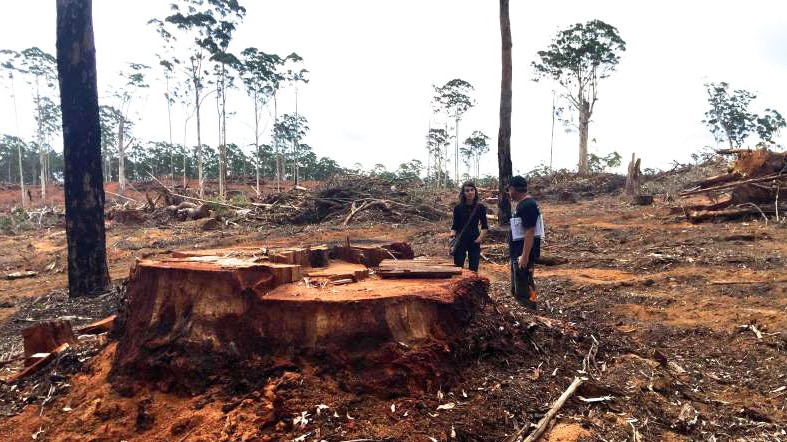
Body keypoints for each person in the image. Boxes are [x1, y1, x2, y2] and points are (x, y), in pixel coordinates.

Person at [507, 175, 544, 309]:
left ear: (513, 189)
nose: (509, 193)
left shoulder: (528, 205)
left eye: (509, 190)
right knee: (518, 285)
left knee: (525, 285)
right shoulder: (523, 204)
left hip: (523, 254)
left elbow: (530, 231)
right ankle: (525, 309)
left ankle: (530, 310)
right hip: (518, 252)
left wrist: (525, 256)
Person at [450, 181, 489, 272]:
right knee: (458, 267)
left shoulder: (480, 207)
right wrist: (451, 239)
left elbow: (485, 226)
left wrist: (479, 239)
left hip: (474, 239)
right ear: (463, 193)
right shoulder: (458, 208)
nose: (470, 192)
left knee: (474, 268)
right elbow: (455, 226)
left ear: (475, 191)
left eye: (472, 190)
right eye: (467, 191)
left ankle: (473, 285)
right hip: (460, 240)